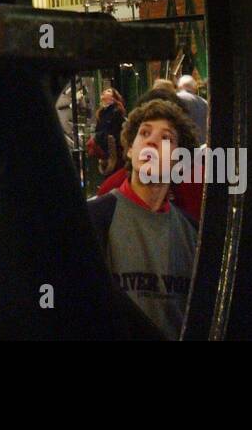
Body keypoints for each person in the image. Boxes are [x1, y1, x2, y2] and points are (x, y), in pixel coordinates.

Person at [87, 98, 200, 339]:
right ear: (130, 149)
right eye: (144, 133)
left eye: (166, 138)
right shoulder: (96, 218)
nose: (151, 141)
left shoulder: (193, 233)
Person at [92, 87, 125, 172]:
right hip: (103, 151)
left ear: (113, 97)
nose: (104, 92)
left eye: (108, 91)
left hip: (114, 152)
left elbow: (114, 132)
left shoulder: (116, 111)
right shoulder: (101, 112)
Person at [176, 74, 209, 142]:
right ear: (194, 88)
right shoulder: (205, 103)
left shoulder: (175, 99)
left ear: (179, 86)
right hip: (201, 147)